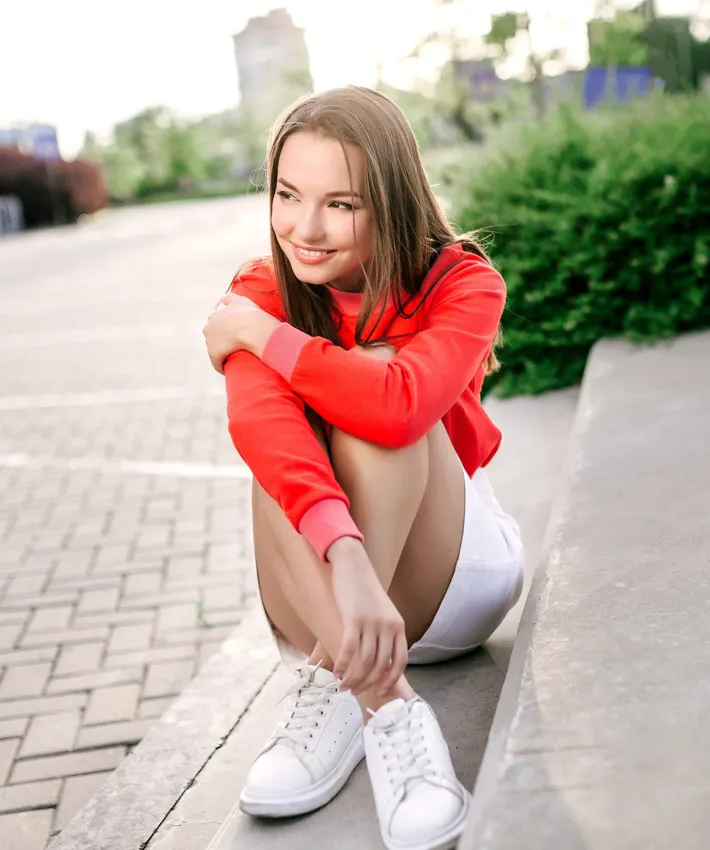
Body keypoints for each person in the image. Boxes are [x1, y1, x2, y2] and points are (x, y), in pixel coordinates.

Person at [202, 85, 525, 850]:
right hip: (332, 586)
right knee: (280, 444)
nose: (304, 230)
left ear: (390, 200)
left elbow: (399, 409)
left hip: (450, 580)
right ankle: (387, 708)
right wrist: (345, 557)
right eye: (287, 194)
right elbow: (259, 423)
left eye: (340, 204)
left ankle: (342, 685)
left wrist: (266, 340)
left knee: (378, 383)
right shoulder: (261, 287)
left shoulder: (462, 282)